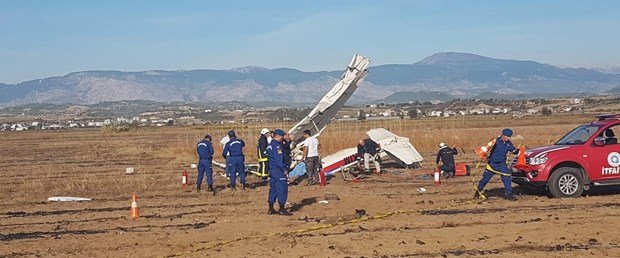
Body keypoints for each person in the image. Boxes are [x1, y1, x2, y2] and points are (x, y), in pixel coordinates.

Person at [475, 128, 519, 200]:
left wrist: (520, 150)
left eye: (509, 137)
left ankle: (508, 194)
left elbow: (513, 151)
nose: (508, 138)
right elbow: (486, 149)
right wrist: (484, 156)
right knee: (485, 180)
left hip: (501, 164)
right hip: (492, 164)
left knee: (507, 178)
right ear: (503, 135)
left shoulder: (509, 143)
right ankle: (478, 191)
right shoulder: (495, 141)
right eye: (507, 136)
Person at [267, 129, 292, 216]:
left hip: (272, 170)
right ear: (279, 136)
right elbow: (279, 161)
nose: (283, 139)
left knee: (273, 188)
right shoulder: (277, 146)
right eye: (282, 137)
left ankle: (271, 208)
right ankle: (282, 208)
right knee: (282, 188)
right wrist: (284, 170)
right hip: (279, 170)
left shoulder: (270, 145)